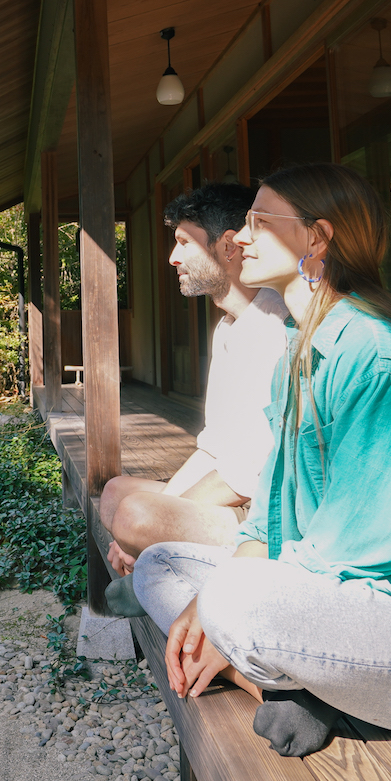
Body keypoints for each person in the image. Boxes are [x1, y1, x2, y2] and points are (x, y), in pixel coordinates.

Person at [128, 162, 391, 757]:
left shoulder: (378, 355)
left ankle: (286, 680)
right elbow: (270, 520)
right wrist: (217, 598)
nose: (240, 238)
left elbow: (361, 549)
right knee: (161, 566)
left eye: (258, 222)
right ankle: (280, 688)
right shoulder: (300, 352)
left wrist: (221, 604)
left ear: (316, 238)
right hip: (358, 610)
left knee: (231, 598)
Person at [100, 184, 289, 579]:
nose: (172, 258)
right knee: (116, 494)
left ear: (227, 246)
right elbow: (214, 446)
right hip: (233, 501)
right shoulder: (228, 327)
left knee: (135, 516)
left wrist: (149, 522)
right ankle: (153, 569)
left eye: (184, 242)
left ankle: (165, 578)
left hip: (266, 519)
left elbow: (246, 476)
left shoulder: (275, 326)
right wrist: (163, 510)